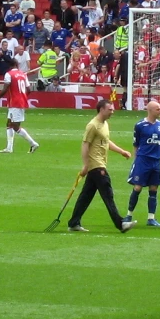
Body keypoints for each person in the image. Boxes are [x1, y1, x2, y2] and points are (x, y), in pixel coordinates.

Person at [67, 100, 136, 233]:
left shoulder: (104, 124)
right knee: (107, 193)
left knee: (86, 196)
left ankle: (74, 222)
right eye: (110, 109)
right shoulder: (92, 125)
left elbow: (106, 141)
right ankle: (120, 223)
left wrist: (121, 151)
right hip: (96, 165)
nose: (113, 111)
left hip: (99, 165)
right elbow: (85, 145)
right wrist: (86, 165)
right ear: (101, 110)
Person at [124, 100, 160, 227]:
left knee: (154, 188)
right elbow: (136, 145)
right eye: (158, 109)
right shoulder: (140, 125)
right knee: (138, 187)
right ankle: (128, 215)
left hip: (156, 162)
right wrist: (137, 161)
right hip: (143, 161)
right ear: (150, 110)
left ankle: (151, 218)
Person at [0, 59, 39, 154]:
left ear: (9, 65)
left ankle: (33, 143)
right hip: (20, 101)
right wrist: (22, 96)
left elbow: (5, 89)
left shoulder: (9, 74)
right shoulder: (23, 74)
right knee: (9, 124)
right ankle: (9, 148)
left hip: (15, 102)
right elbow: (29, 90)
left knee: (15, 126)